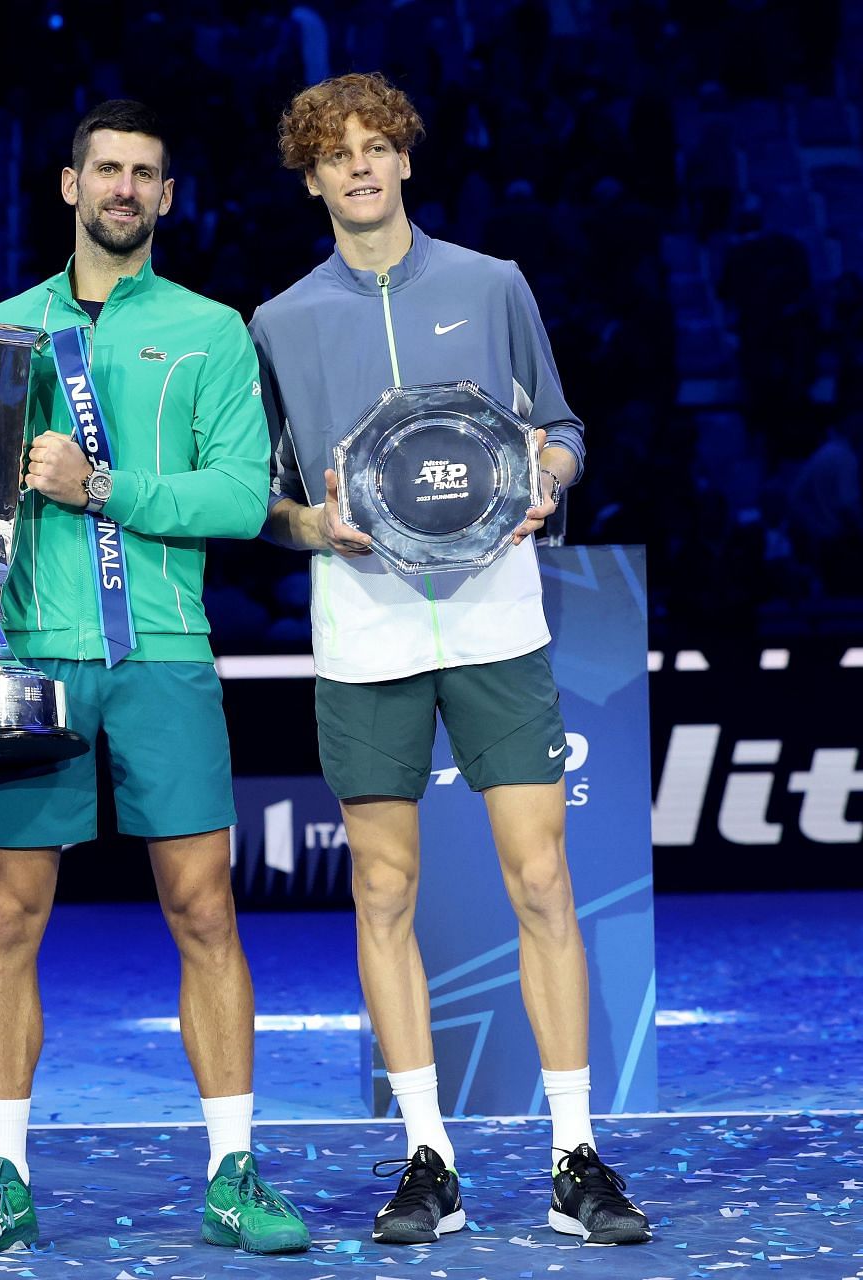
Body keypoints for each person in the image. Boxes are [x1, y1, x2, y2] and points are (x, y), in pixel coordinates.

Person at [0, 99, 310, 1260]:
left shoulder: (214, 330)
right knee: (8, 914)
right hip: (29, 659)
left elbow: (238, 499)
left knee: (204, 908)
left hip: (164, 657)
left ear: (167, 199)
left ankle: (233, 1172)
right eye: (106, 169)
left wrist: (101, 486)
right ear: (69, 186)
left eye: (145, 174)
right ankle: (3, 1179)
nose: (124, 188)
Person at [249, 72, 651, 1248]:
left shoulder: (492, 284)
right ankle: (430, 1154)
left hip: (495, 625)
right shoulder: (278, 321)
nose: (361, 167)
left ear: (407, 161)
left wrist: (550, 476)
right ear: (312, 176)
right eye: (338, 154)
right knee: (383, 891)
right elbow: (272, 497)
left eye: (380, 146)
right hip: (364, 634)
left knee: (541, 880)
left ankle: (577, 1154)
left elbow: (566, 431)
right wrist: (312, 525)